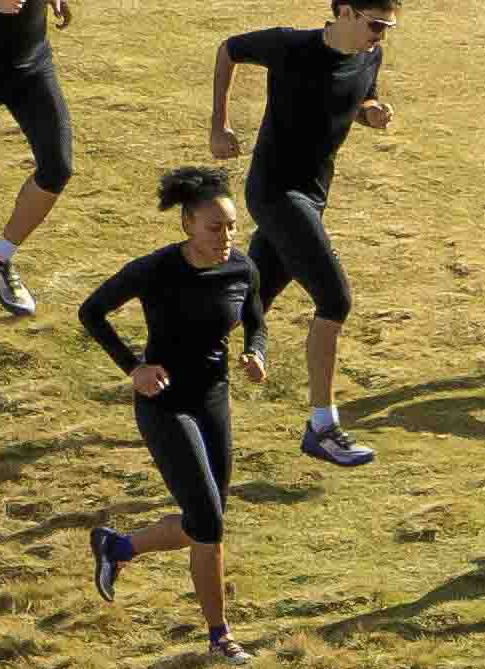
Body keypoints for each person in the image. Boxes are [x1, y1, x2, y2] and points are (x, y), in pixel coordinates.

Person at [74, 166, 268, 659]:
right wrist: (133, 368)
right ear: (187, 225)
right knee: (207, 520)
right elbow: (91, 311)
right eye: (214, 227)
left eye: (230, 226)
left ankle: (118, 548)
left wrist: (256, 353)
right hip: (164, 404)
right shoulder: (155, 269)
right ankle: (220, 637)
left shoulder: (242, 269)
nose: (225, 237)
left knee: (207, 520)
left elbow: (255, 321)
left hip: (213, 401)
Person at [195, 0, 393, 471]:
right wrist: (219, 124)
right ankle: (321, 427)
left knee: (250, 294)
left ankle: (169, 360)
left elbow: (360, 97)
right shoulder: (291, 46)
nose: (381, 34)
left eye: (387, 26)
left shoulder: (369, 55)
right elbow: (228, 50)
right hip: (275, 193)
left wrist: (372, 113)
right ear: (345, 11)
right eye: (375, 24)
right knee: (335, 300)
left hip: (314, 195)